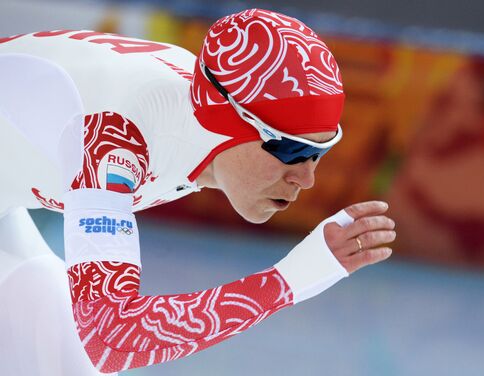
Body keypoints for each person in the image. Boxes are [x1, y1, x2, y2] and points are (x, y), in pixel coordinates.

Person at [0, 8, 396, 375]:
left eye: (320, 152)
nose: (306, 178)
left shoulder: (200, 103)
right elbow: (108, 338)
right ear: (227, 118)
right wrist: (288, 280)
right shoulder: (115, 136)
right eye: (292, 149)